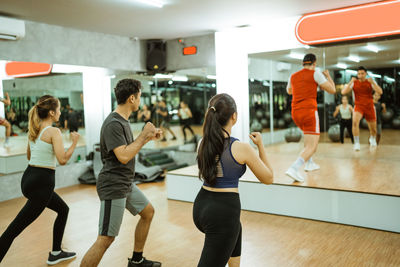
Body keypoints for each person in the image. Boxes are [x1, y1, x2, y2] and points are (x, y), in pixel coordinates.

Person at [80, 79, 162, 267]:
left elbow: (128, 149)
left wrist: (147, 137)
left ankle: (137, 260)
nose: (140, 100)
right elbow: (124, 156)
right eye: (139, 96)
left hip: (125, 182)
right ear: (132, 98)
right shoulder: (113, 124)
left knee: (148, 212)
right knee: (106, 238)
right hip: (113, 185)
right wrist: (143, 135)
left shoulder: (123, 122)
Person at [194, 93, 273, 267]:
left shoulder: (202, 143)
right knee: (230, 228)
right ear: (234, 116)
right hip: (222, 214)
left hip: (201, 205)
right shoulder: (241, 148)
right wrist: (260, 145)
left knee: (236, 229)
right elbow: (268, 178)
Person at [0, 95, 80, 265]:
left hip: (29, 177)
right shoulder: (53, 131)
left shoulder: (34, 129)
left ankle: (56, 252)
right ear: (51, 112)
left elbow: (30, 155)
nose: (60, 113)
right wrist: (74, 143)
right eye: (58, 109)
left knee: (63, 210)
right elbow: (62, 159)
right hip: (42, 183)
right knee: (15, 228)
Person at [285, 53, 336, 182]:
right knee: (312, 146)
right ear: (314, 63)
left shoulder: (293, 76)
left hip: (296, 113)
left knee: (308, 140)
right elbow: (332, 90)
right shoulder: (316, 73)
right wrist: (328, 76)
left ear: (303, 63)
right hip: (309, 112)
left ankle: (309, 163)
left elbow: (289, 91)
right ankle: (294, 168)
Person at [342, 66, 383, 151]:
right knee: (355, 123)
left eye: (362, 73)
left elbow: (380, 92)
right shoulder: (354, 82)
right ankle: (356, 143)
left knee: (373, 128)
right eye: (359, 73)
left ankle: (372, 138)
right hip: (358, 106)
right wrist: (350, 82)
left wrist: (374, 83)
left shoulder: (370, 82)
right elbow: (343, 92)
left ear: (366, 74)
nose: (360, 75)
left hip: (369, 106)